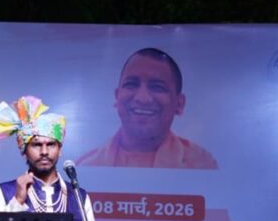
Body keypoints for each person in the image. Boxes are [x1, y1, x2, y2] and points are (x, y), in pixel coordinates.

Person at [76, 47, 216, 169]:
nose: (142, 98)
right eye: (131, 84)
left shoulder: (201, 164)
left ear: (179, 104)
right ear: (117, 97)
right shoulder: (86, 166)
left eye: (157, 87)